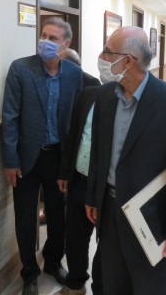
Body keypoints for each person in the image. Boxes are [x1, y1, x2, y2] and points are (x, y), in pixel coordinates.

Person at [86, 26, 166, 294]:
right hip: (110, 209)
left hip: (152, 215)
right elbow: (98, 151)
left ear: (127, 61)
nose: (101, 57)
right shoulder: (105, 96)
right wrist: (93, 196)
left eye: (107, 52)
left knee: (150, 285)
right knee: (113, 283)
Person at [1, 17, 83, 295]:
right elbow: (10, 116)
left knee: (59, 217)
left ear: (66, 44)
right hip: (26, 159)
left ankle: (52, 261)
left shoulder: (73, 74)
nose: (45, 42)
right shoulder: (21, 69)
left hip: (57, 157)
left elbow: (75, 121)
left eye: (53, 38)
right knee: (25, 218)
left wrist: (68, 167)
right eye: (43, 35)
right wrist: (10, 160)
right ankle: (29, 273)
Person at [55, 49, 102, 295]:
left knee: (106, 243)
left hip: (106, 186)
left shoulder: (128, 103)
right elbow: (75, 136)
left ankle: (102, 286)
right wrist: (65, 172)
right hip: (79, 180)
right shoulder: (89, 94)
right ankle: (76, 283)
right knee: (75, 238)